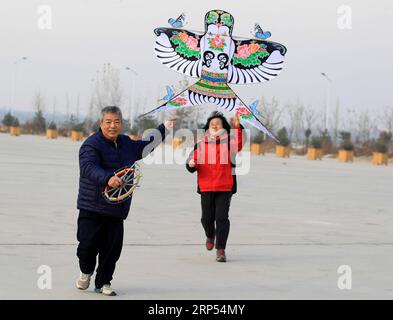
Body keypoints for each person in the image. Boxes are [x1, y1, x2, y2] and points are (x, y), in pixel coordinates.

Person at [76, 106, 175, 296]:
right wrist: (107, 178)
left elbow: (146, 145)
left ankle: (103, 282)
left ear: (121, 124)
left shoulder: (126, 143)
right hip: (92, 206)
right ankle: (86, 270)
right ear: (101, 123)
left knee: (112, 250)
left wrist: (165, 128)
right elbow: (88, 167)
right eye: (108, 122)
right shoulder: (91, 145)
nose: (112, 126)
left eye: (116, 122)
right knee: (87, 246)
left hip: (116, 207)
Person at [186, 111, 243, 262]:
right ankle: (210, 235)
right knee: (206, 219)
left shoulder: (230, 143)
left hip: (225, 187)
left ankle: (221, 249)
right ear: (208, 127)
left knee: (222, 218)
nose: (215, 125)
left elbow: (239, 140)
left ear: (224, 126)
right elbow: (192, 161)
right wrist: (191, 164)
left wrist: (237, 125)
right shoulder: (201, 144)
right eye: (212, 124)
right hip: (206, 187)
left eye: (218, 123)